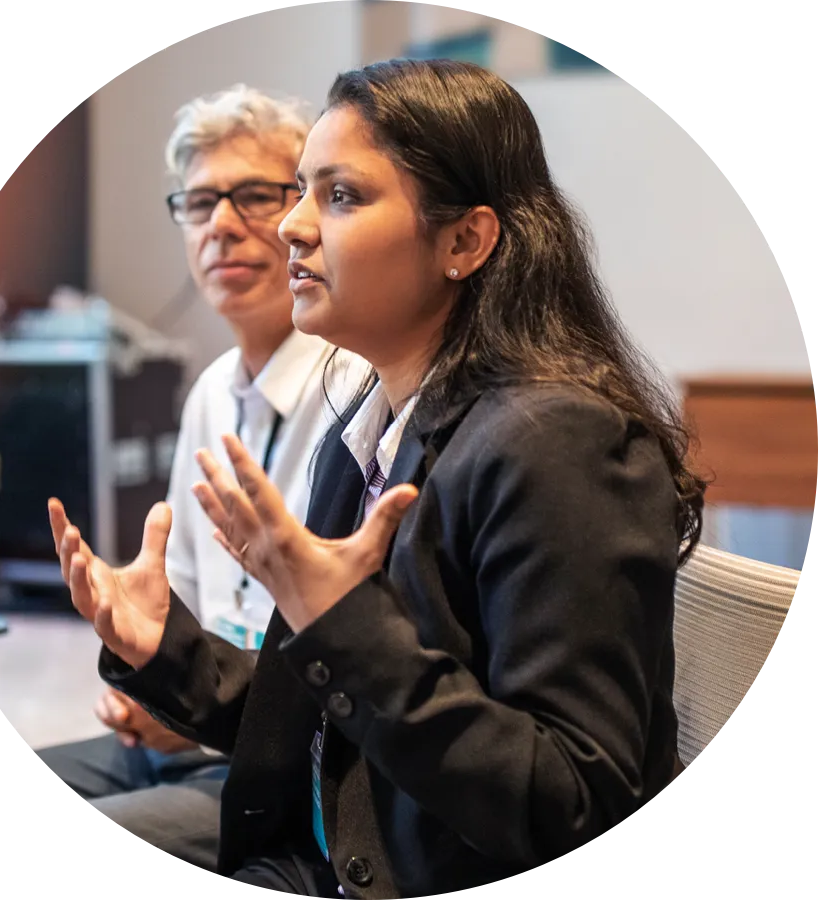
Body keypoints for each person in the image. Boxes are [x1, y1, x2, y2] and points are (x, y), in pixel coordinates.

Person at [48, 58, 708, 898]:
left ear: (464, 241)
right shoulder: (367, 427)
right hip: (326, 850)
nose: (290, 226)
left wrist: (342, 622)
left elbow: (574, 805)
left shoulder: (558, 440)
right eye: (298, 192)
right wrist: (164, 652)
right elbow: (320, 719)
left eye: (341, 196)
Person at [33, 84, 368, 876]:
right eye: (199, 202)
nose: (223, 223)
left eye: (254, 194)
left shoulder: (357, 389)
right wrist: (144, 675)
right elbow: (176, 592)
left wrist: (190, 712)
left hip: (283, 758)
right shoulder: (212, 390)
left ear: (305, 214)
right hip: (189, 725)